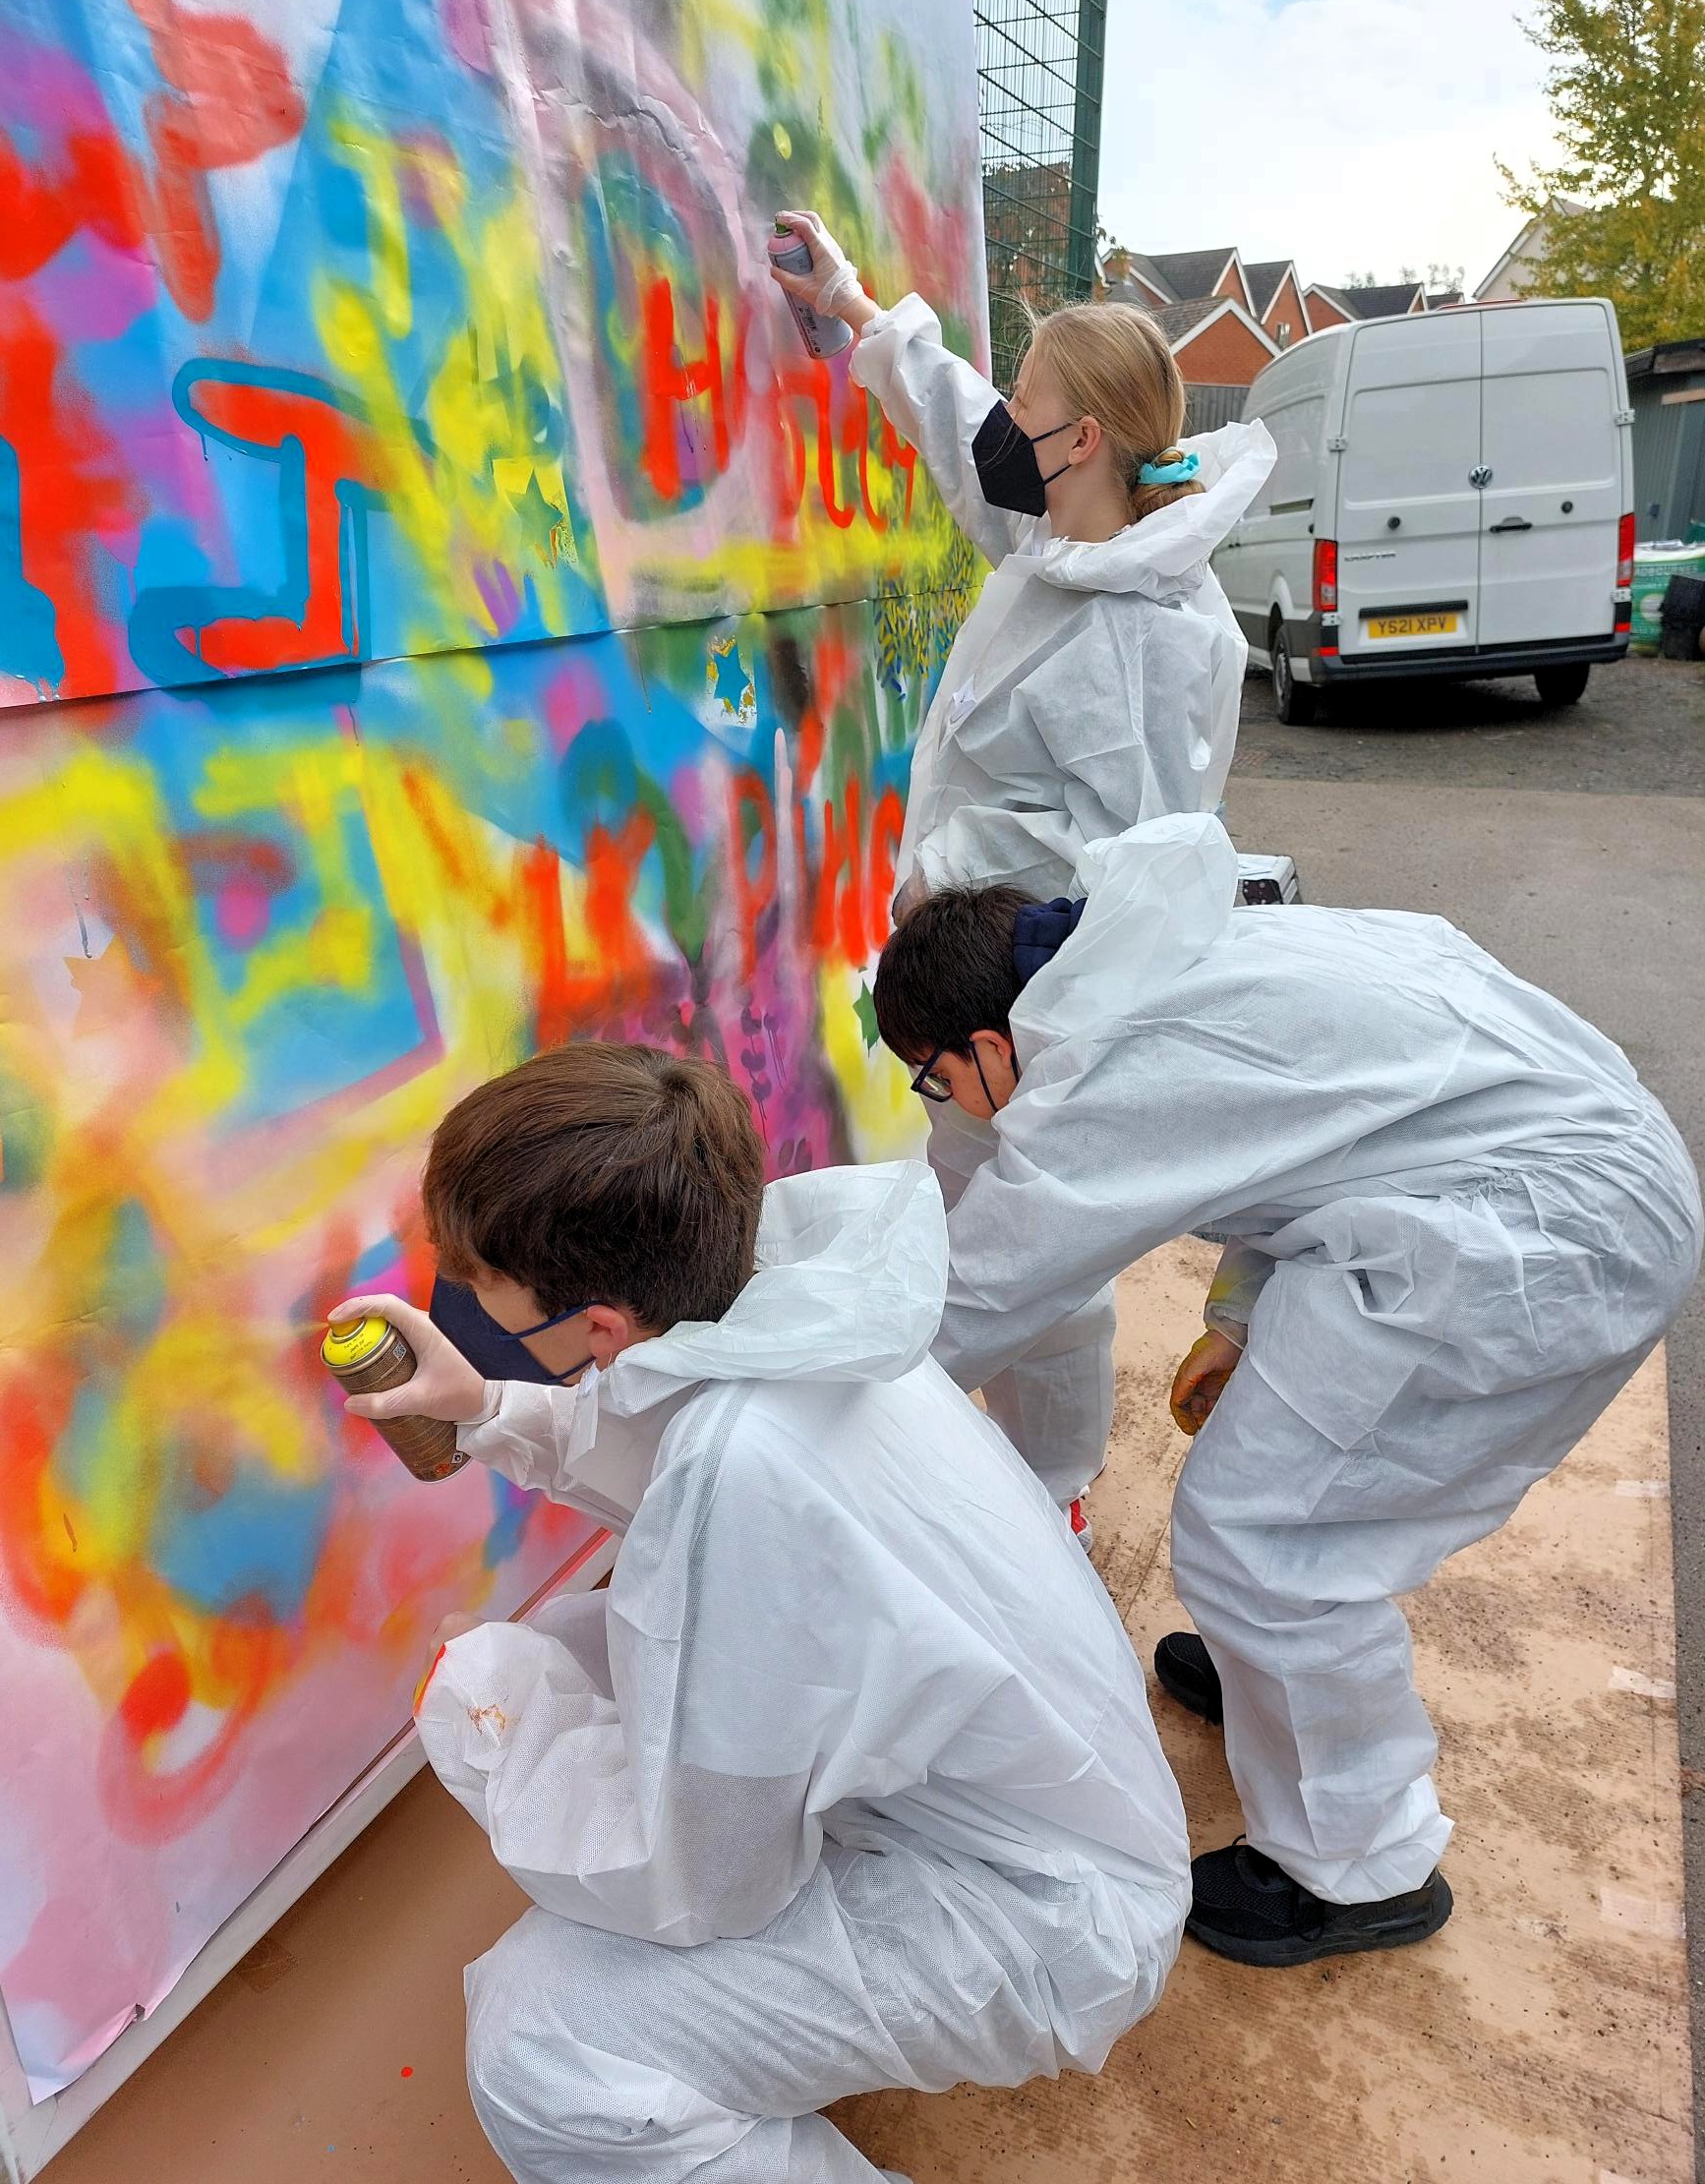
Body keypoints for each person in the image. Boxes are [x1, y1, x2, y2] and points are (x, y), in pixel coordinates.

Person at [331, 1042, 1191, 2182]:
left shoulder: (738, 1478)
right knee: (588, 1650)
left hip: (1041, 1918)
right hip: (1056, 1809)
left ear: (597, 1327)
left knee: (546, 2042)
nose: (474, 1309)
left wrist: (491, 1734)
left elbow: (702, 1880)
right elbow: (665, 1422)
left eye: (492, 1303)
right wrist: (487, 1402)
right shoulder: (799, 1308)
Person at [871, 814, 1701, 1966]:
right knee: (1271, 1528)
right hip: (1531, 1174)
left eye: (938, 1078)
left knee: (1268, 1534)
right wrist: (1237, 1313)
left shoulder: (1109, 1074)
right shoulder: (1158, 954)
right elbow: (1327, 1129)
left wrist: (796, 1410)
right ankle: (1280, 1680)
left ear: (989, 1041)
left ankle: (1361, 1863)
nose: (947, 1104)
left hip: (1545, 1236)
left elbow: (970, 1301)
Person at [772, 208, 1276, 1537]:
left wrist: (950, 861)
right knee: (971, 1210)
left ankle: (1047, 1488)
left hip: (1035, 985)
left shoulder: (1146, 634)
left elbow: (1130, 860)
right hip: (976, 962)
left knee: (1040, 1254)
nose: (1010, 432)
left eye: (1034, 412)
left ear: (1086, 441)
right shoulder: (1074, 543)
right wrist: (863, 315)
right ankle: (971, 1460)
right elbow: (968, 435)